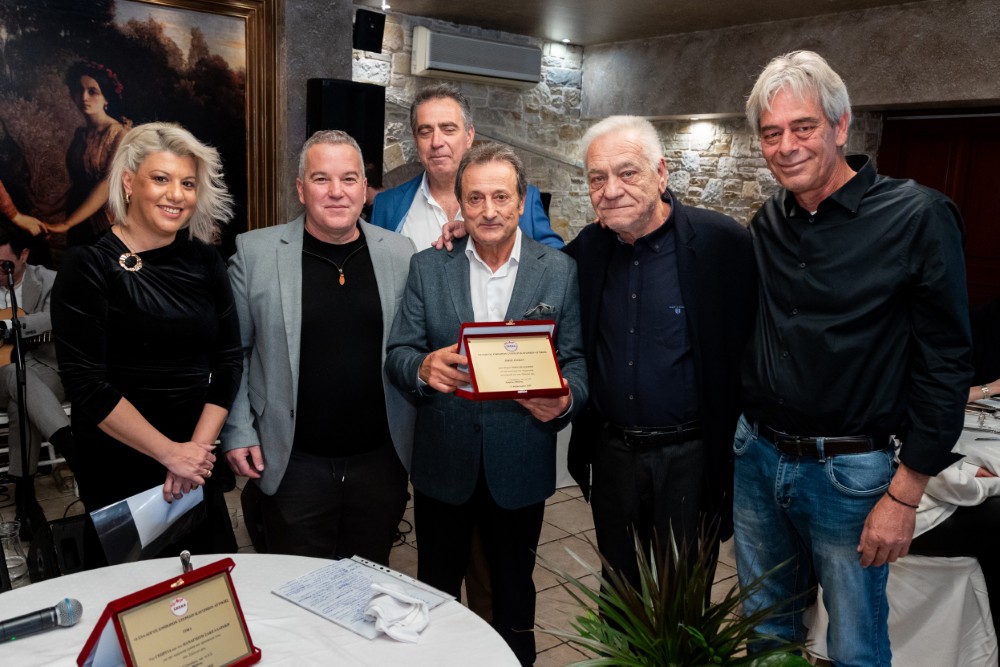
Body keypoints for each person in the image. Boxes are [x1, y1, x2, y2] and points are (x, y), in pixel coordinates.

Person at [734, 51, 972, 665]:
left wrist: (905, 495)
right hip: (757, 458)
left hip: (849, 473)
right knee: (765, 632)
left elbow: (946, 362)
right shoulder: (769, 220)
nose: (786, 146)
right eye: (771, 133)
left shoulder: (919, 217)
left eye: (803, 127)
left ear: (840, 127)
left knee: (856, 647)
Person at [385, 142, 587, 666]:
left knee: (514, 594)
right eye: (475, 198)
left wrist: (566, 398)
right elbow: (398, 353)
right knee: (435, 594)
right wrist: (422, 368)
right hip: (443, 463)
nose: (489, 210)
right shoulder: (429, 266)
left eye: (501, 197)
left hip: (519, 464)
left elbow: (576, 360)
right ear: (460, 204)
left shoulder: (558, 270)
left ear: (522, 201)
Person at [562, 116, 756, 588]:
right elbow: (534, 268)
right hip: (612, 456)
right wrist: (470, 231)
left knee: (681, 600)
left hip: (690, 459)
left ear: (661, 173)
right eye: (597, 179)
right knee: (619, 594)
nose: (611, 190)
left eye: (627, 173)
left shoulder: (720, 243)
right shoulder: (589, 248)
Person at [221, 130, 416, 566]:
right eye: (321, 178)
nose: (336, 191)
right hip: (292, 462)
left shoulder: (400, 253)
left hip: (379, 462)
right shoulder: (255, 253)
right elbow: (235, 354)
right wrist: (238, 430)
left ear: (364, 188)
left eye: (349, 179)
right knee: (296, 587)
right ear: (300, 188)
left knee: (368, 583)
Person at [51, 122, 240, 569]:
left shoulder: (205, 260)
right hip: (121, 465)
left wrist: (194, 454)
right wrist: (169, 453)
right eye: (161, 178)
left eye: (188, 183)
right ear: (128, 182)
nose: (176, 194)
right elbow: (87, 386)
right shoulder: (88, 265)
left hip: (195, 462)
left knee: (210, 592)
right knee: (134, 599)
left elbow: (229, 361)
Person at [370, 83, 563, 250]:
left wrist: (497, 236)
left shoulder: (522, 199)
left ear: (469, 136)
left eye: (448, 129)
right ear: (416, 140)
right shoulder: (387, 206)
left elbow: (558, 264)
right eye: (426, 132)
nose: (436, 142)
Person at [0, 219, 75, 540]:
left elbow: (60, 317)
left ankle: (25, 496)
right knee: (11, 372)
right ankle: (72, 449)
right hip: (0, 377)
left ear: (24, 256)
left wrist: (9, 327)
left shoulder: (49, 280)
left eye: (4, 265)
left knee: (21, 396)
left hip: (46, 370)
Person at [20, 62, 131, 246]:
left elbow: (107, 184)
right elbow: (79, 185)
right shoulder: (81, 135)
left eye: (92, 91)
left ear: (106, 98)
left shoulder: (121, 135)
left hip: (107, 220)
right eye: (79, 90)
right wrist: (51, 209)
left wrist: (66, 224)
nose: (84, 97)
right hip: (79, 218)